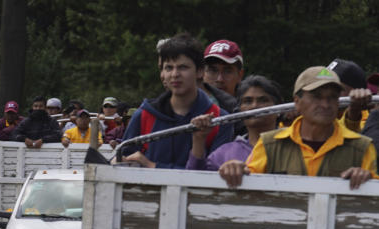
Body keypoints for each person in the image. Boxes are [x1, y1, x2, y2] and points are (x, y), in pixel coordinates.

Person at [219, 66, 379, 190]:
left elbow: (374, 202)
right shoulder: (269, 144)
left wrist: (368, 180)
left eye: (332, 97)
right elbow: (249, 189)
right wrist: (235, 170)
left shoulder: (362, 146)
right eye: (316, 96)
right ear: (297, 102)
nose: (325, 104)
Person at [119, 33, 234, 169]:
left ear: (200, 72)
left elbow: (213, 177)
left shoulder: (220, 120)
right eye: (169, 68)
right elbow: (122, 165)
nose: (175, 74)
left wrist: (152, 166)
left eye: (183, 67)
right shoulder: (144, 115)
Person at [188, 75, 282, 173]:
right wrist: (198, 139)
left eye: (263, 100)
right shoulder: (225, 153)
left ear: (278, 109)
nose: (255, 106)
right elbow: (192, 182)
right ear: (239, 111)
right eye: (248, 101)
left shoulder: (291, 146)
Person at [327, 58, 373, 132]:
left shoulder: (367, 124)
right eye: (322, 86)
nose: (326, 93)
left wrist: (353, 116)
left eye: (334, 87)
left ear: (358, 92)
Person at [201, 39, 242, 113]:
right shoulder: (186, 107)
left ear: (240, 75)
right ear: (201, 73)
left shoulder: (249, 111)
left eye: (227, 71)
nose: (220, 79)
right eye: (213, 70)